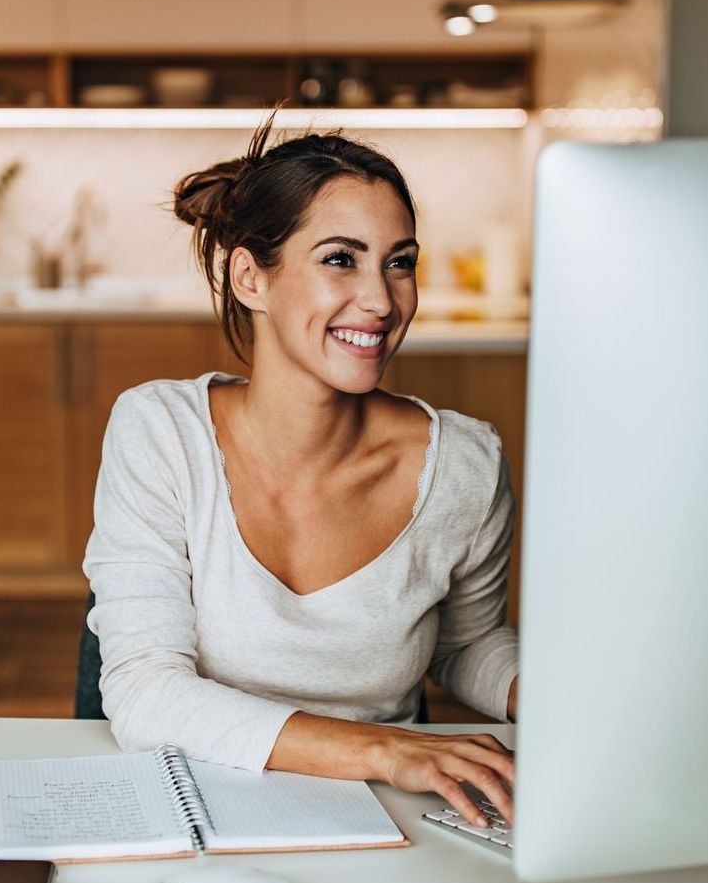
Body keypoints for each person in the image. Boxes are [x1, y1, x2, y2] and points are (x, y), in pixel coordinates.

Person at [83, 116, 519, 829]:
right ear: (251, 276)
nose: (381, 301)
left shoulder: (466, 466)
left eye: (400, 261)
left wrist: (555, 694)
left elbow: (466, 641)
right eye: (341, 259)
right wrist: (384, 750)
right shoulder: (162, 434)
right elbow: (145, 692)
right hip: (199, 802)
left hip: (394, 819)